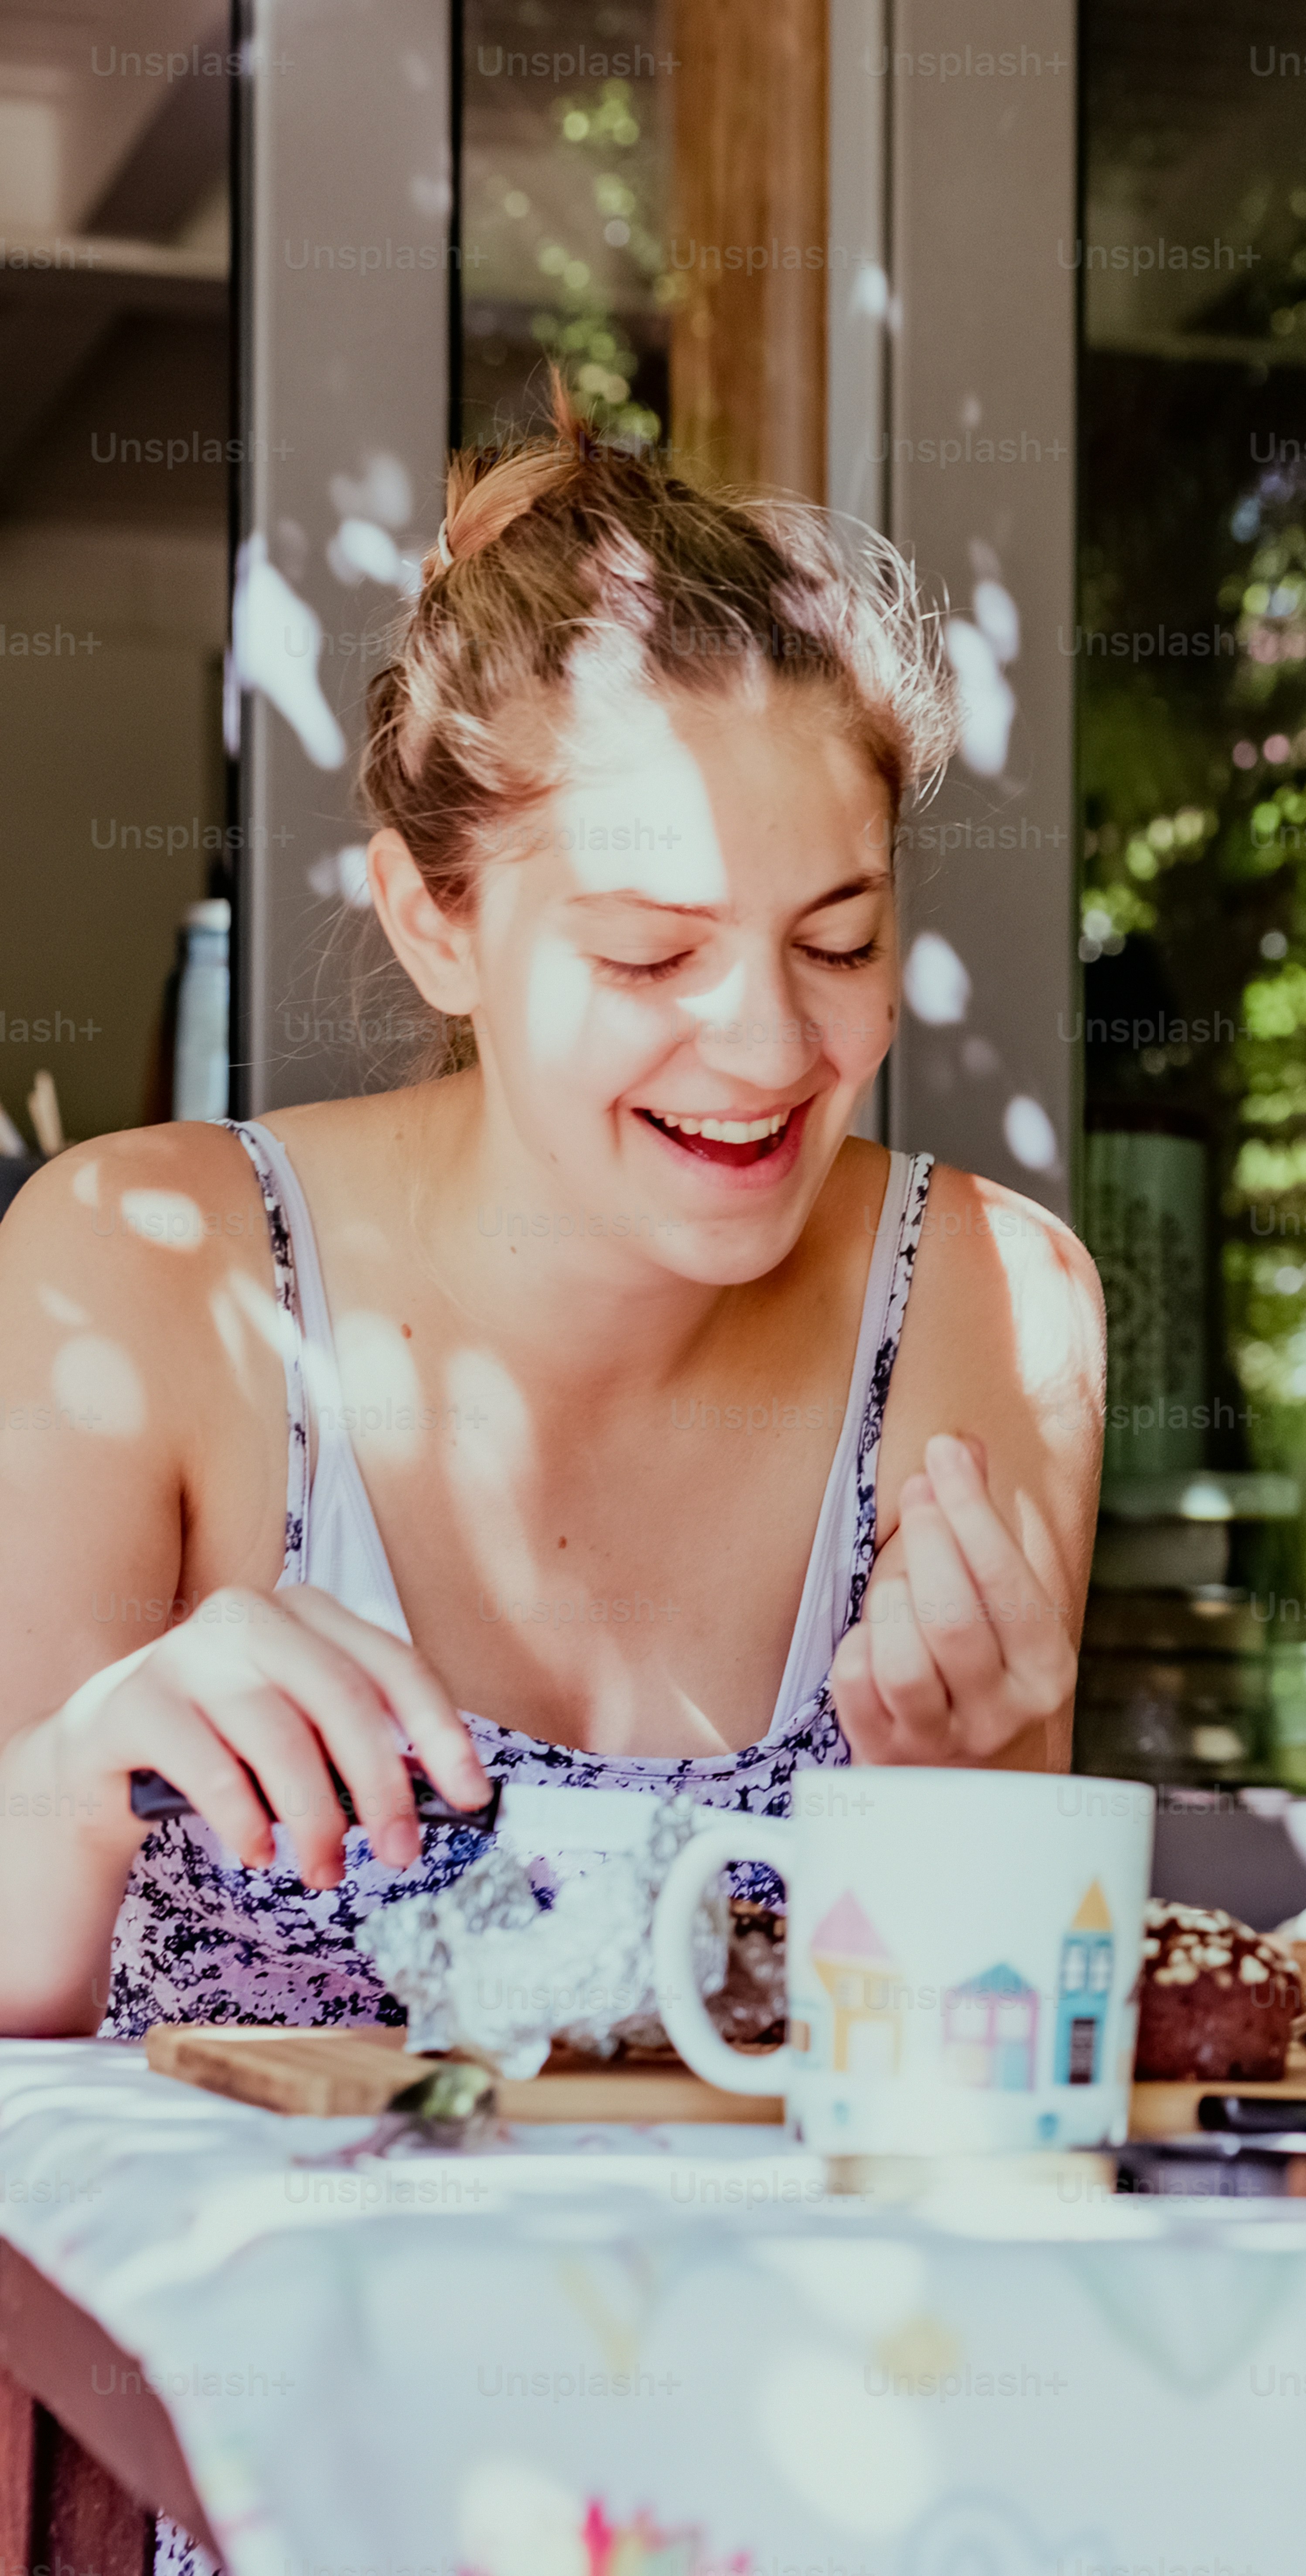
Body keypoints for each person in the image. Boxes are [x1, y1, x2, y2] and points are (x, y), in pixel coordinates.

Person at [0, 386, 1104, 2042]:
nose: (769, 1046)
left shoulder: (986, 1302)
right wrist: (83, 1779)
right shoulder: (140, 1270)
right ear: (433, 924)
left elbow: (997, 2052)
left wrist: (978, 1810)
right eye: (651, 953)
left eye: (840, 940)